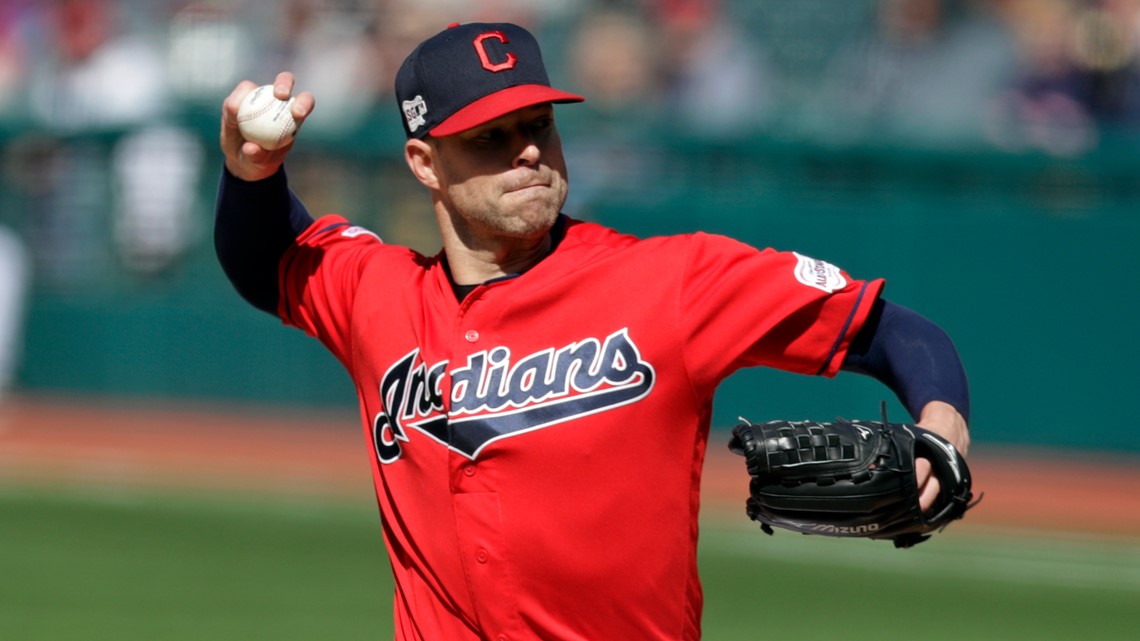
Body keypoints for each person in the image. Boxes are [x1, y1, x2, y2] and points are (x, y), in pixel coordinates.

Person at [215, 21, 970, 641]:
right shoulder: (375, 293)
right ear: (424, 162)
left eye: (537, 123)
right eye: (489, 136)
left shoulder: (670, 281)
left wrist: (941, 416)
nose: (529, 150)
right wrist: (254, 175)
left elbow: (883, 325)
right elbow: (266, 260)